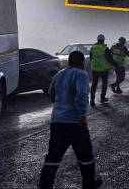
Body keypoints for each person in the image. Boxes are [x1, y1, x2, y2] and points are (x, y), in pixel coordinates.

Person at [38, 51, 103, 189]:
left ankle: (45, 185)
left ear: (69, 61)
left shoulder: (59, 74)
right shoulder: (81, 74)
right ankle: (89, 184)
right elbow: (81, 95)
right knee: (85, 154)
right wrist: (82, 115)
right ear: (82, 63)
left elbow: (51, 93)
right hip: (75, 122)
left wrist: (61, 102)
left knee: (53, 156)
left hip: (57, 121)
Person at [89, 34, 116, 106]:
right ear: (103, 40)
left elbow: (91, 58)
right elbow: (109, 59)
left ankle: (92, 100)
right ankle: (102, 98)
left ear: (97, 40)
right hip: (103, 69)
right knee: (104, 84)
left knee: (94, 85)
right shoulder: (105, 48)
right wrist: (115, 64)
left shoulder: (92, 48)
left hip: (94, 69)